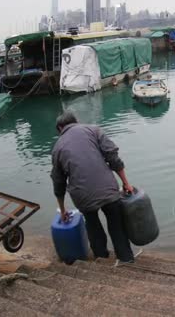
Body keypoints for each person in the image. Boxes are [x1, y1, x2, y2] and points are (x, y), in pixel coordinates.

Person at [51, 111, 135, 263]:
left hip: (83, 196)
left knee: (93, 225)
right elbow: (113, 158)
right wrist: (126, 183)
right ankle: (126, 258)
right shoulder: (94, 130)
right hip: (108, 188)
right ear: (76, 121)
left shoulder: (57, 148)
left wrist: (63, 210)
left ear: (59, 128)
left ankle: (101, 259)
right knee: (116, 224)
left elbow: (58, 182)